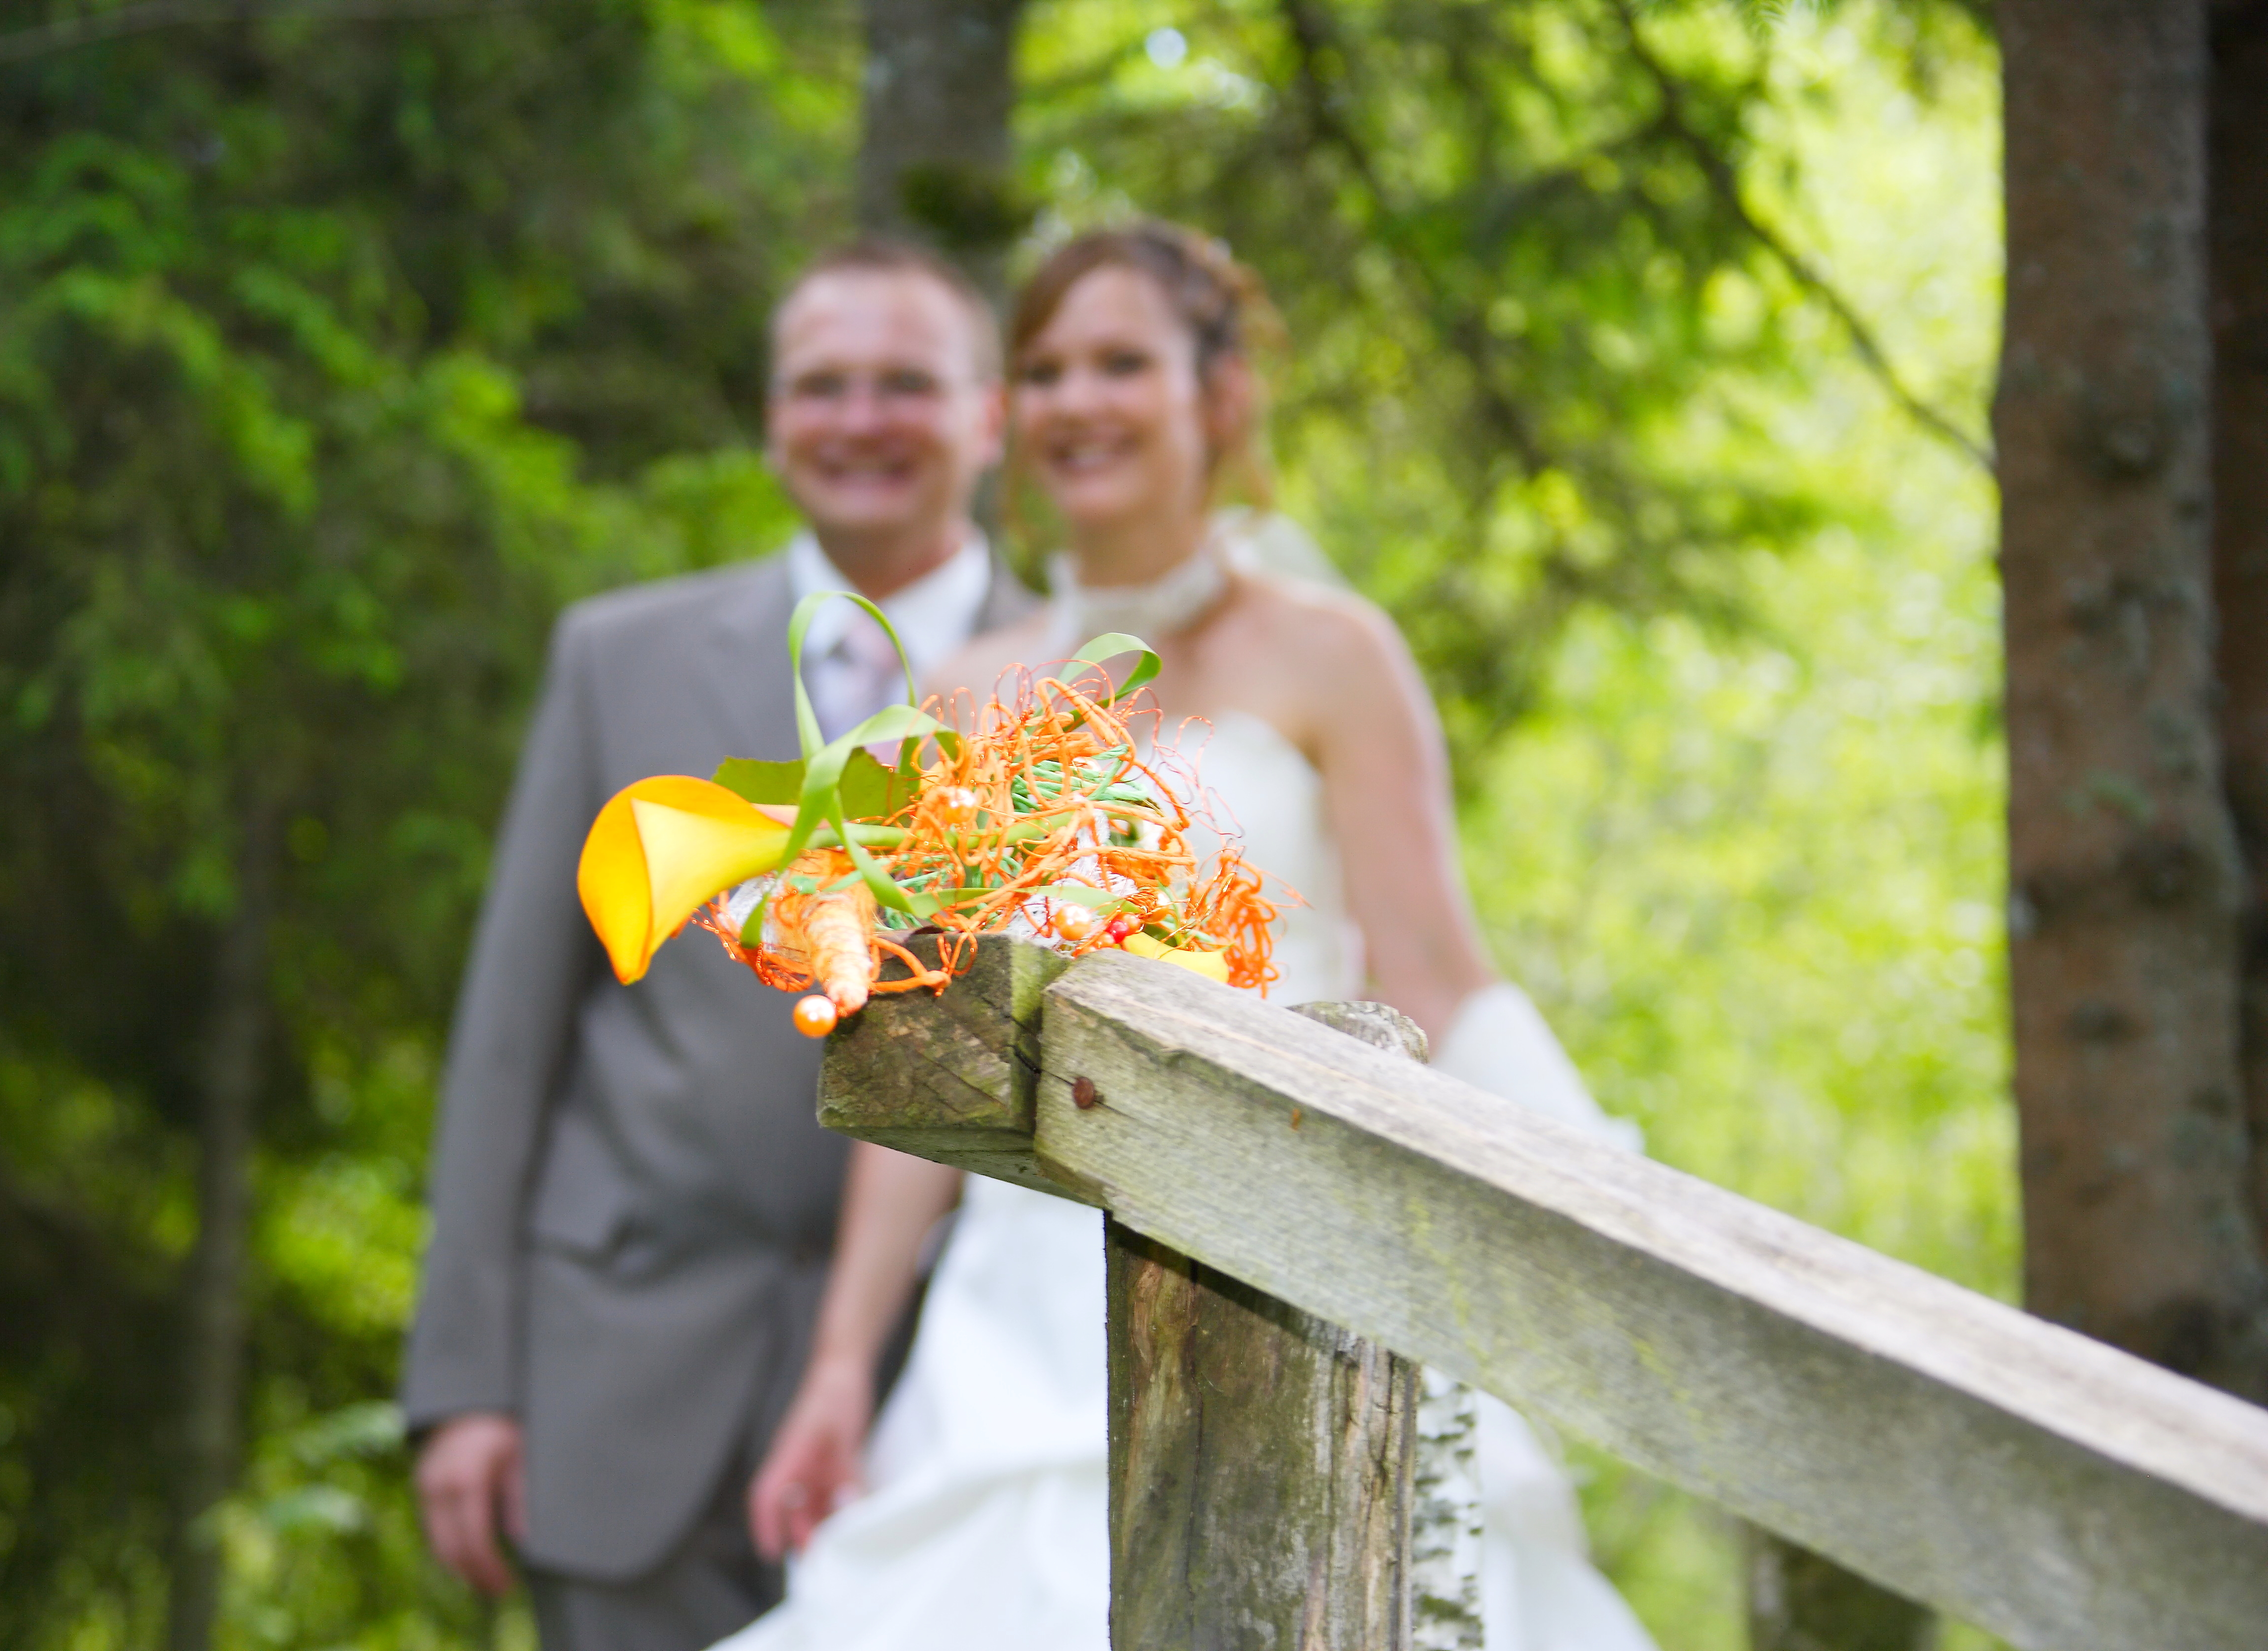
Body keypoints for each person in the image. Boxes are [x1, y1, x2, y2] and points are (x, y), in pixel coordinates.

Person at [715, 223, 1657, 1651]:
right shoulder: (966, 701)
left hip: (1296, 1238)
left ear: (1217, 397)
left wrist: (1599, 1215)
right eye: (1043, 369)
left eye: (1120, 362)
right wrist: (842, 1365)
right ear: (1007, 415)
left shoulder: (1335, 657)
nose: (1077, 400)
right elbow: (918, 1033)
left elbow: (1436, 976)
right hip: (1021, 1303)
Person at [399, 240, 1037, 1651]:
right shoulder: (615, 660)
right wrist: (465, 1384)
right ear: (770, 418)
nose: (859, 420)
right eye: (822, 386)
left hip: (947, 1403)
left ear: (989, 417)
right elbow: (510, 1037)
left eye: (905, 385)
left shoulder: (1068, 684)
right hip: (617, 1381)